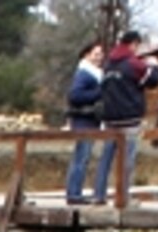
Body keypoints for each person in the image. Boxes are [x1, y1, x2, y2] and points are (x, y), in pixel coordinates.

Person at [91, 32, 157, 206]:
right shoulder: (133, 64)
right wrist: (155, 66)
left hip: (110, 119)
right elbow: (153, 80)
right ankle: (123, 197)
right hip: (129, 119)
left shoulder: (108, 65)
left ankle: (99, 194)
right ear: (133, 44)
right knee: (127, 160)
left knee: (105, 158)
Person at [61, 40, 107, 208]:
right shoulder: (85, 74)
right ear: (87, 55)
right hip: (84, 121)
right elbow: (75, 96)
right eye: (96, 54)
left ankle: (75, 192)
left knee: (82, 157)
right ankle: (74, 193)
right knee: (81, 157)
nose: (99, 57)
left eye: (101, 54)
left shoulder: (93, 73)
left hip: (89, 120)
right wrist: (99, 93)